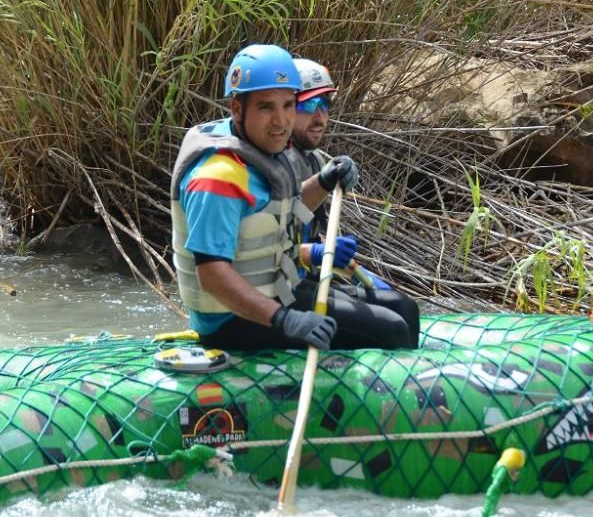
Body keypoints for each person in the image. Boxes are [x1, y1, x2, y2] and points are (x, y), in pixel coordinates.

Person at [170, 44, 411, 352]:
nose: (281, 121)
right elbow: (212, 276)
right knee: (391, 330)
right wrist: (286, 320)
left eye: (288, 105)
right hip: (233, 321)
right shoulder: (217, 178)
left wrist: (325, 181)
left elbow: (284, 213)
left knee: (403, 310)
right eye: (266, 107)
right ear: (237, 109)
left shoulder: (263, 152)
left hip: (279, 292)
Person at [286, 57, 421, 346]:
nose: (319, 116)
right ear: (285, 109)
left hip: (300, 281)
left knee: (405, 307)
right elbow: (263, 240)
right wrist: (317, 252)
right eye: (309, 106)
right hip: (274, 294)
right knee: (392, 327)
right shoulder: (269, 165)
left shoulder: (312, 159)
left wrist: (344, 266)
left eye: (325, 105)